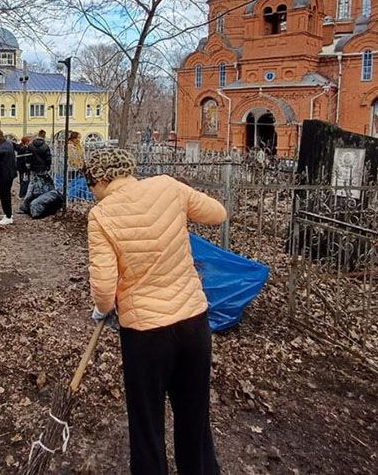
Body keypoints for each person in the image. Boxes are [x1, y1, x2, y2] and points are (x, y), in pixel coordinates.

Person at [83, 149, 227, 475]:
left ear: (104, 178)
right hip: (193, 322)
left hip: (145, 335)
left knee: (146, 422)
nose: (92, 191)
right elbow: (218, 214)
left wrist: (102, 310)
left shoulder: (101, 216)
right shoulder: (168, 186)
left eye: (92, 183)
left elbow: (104, 290)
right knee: (194, 414)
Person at [18, 130, 54, 215]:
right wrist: (48, 166)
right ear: (44, 137)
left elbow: (28, 157)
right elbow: (48, 158)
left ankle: (26, 205)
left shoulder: (31, 145)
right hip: (43, 169)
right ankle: (42, 204)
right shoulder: (46, 146)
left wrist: (28, 165)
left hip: (33, 169)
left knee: (32, 185)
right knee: (44, 186)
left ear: (37, 135)